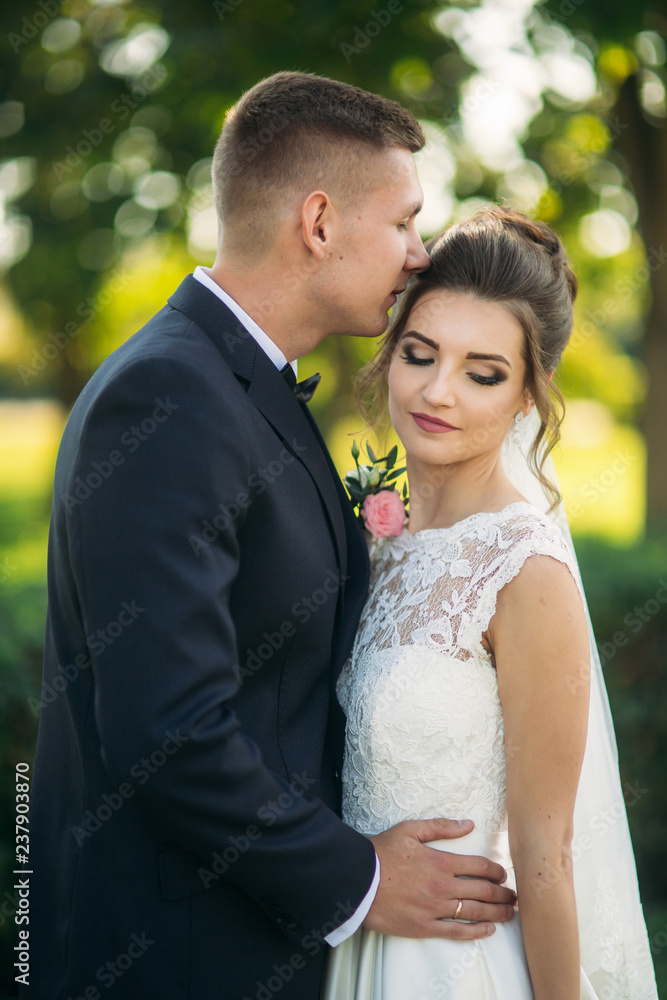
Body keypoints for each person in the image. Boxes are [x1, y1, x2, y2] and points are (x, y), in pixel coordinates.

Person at [19, 73, 518, 1000]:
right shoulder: (170, 398)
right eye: (405, 221)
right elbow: (167, 727)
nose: (418, 255)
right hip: (173, 957)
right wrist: (359, 879)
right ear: (319, 222)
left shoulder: (236, 381)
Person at [323, 208, 658, 999]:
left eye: (482, 372)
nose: (436, 392)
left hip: (457, 966)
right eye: (418, 354)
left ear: (526, 398)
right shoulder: (379, 538)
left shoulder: (525, 571)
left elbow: (547, 856)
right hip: (353, 939)